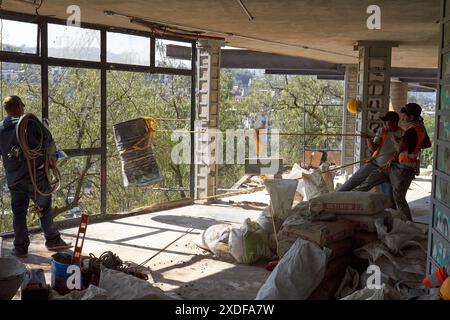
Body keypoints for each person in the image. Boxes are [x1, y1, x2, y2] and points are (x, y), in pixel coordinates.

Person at [0, 95, 71, 257]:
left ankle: (20, 248)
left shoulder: (0, 129)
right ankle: (53, 240)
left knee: (18, 213)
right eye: (22, 106)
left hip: (14, 180)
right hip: (35, 177)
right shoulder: (30, 123)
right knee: (44, 209)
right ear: (18, 107)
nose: (24, 109)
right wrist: (52, 161)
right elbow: (48, 141)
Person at [353, 103, 432, 221]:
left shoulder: (410, 131)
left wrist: (396, 141)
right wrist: (409, 143)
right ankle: (349, 200)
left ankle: (408, 224)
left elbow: (399, 149)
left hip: (403, 169)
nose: (403, 118)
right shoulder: (420, 128)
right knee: (369, 182)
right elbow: (427, 144)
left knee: (398, 199)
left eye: (405, 115)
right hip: (395, 166)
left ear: (411, 117)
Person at [337, 111, 403, 206]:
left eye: (387, 123)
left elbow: (401, 153)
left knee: (388, 198)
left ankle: (393, 217)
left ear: (395, 122)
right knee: (353, 181)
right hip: (375, 163)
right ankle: (334, 197)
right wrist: (368, 139)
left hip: (388, 169)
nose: (385, 125)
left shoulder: (402, 134)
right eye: (385, 123)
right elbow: (374, 148)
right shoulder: (382, 131)